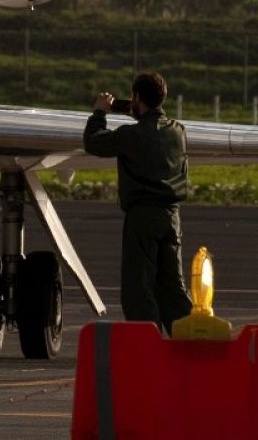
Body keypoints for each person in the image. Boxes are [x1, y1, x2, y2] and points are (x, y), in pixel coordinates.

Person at [84, 72, 193, 334]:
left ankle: (147, 344)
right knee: (173, 287)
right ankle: (191, 341)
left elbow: (93, 142)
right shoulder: (178, 131)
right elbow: (152, 123)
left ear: (137, 98)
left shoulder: (131, 136)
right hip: (171, 217)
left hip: (143, 217)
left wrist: (100, 113)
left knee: (139, 288)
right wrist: (134, 107)